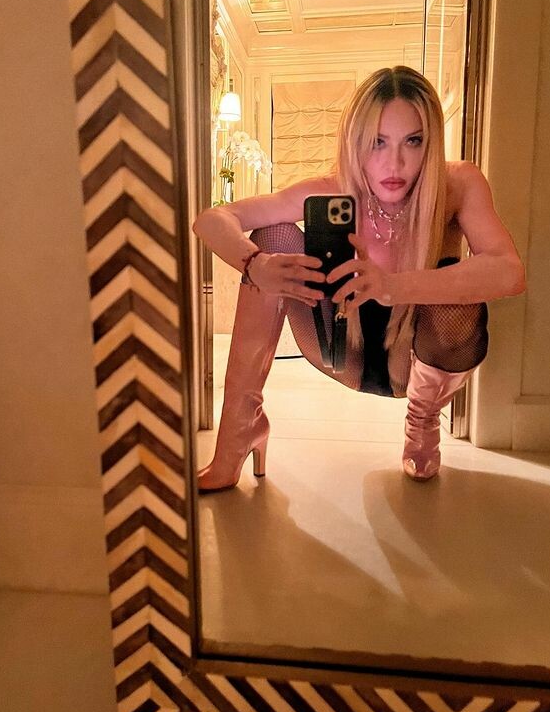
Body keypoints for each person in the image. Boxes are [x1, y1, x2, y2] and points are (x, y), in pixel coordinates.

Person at [193, 66, 525, 492]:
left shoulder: (457, 184)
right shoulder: (332, 190)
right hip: (340, 347)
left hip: (416, 357)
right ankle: (241, 428)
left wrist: (392, 286)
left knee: (455, 291)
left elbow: (508, 271)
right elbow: (212, 219)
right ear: (355, 142)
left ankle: (422, 422)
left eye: (413, 141)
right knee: (272, 236)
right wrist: (255, 264)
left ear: (431, 142)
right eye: (377, 142)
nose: (394, 163)